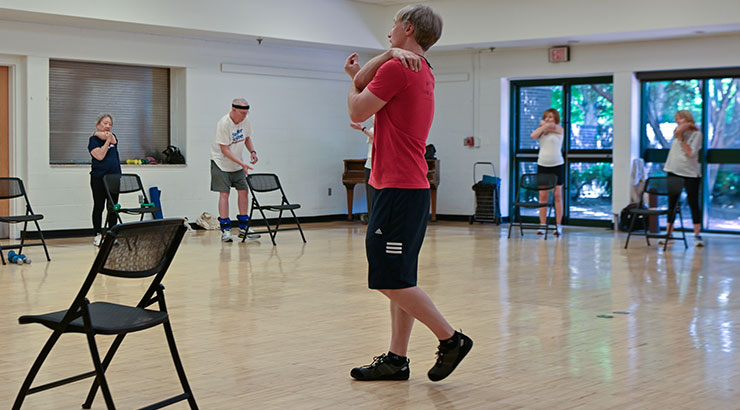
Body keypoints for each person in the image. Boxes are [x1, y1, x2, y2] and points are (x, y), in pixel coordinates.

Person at [344, 4, 472, 383]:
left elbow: (356, 110)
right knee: (401, 279)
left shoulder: (401, 67)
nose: (389, 32)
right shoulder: (416, 67)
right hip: (400, 186)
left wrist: (356, 81)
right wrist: (381, 58)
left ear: (409, 28)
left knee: (388, 278)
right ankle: (397, 359)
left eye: (394, 26)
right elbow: (368, 80)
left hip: (399, 189)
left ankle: (451, 339)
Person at [210, 98, 261, 242]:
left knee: (244, 192)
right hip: (221, 163)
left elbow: (247, 138)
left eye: (246, 113)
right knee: (224, 194)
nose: (244, 116)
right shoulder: (223, 123)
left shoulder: (245, 121)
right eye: (241, 113)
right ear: (233, 110)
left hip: (237, 164)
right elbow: (224, 150)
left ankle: (244, 227)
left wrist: (252, 151)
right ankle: (225, 229)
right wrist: (242, 163)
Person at [662, 110, 704, 247]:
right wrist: (679, 134)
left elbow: (690, 153)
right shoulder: (677, 133)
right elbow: (677, 133)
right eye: (676, 119)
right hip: (673, 171)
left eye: (679, 119)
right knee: (672, 203)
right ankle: (669, 233)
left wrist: (681, 138)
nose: (677, 122)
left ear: (687, 119)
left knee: (693, 203)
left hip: (690, 173)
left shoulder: (697, 135)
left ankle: (697, 235)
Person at [530, 108, 565, 236]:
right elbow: (533, 135)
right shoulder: (542, 131)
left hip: (557, 165)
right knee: (542, 197)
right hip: (543, 165)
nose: (548, 119)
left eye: (550, 116)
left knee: (557, 196)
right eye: (545, 117)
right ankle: (542, 225)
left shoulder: (559, 129)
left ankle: (558, 225)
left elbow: (552, 127)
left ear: (555, 118)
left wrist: (545, 125)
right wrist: (542, 128)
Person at [88, 113, 121, 247]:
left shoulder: (113, 137)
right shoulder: (93, 141)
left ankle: (111, 234)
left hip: (114, 177)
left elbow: (113, 140)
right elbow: (100, 156)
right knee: (99, 206)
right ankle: (97, 234)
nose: (108, 126)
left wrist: (103, 136)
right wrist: (104, 140)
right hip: (98, 178)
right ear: (98, 125)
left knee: (113, 207)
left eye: (110, 124)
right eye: (105, 123)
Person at [350, 122, 375, 223]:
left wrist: (362, 128)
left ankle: (374, 217)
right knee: (370, 193)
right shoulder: (373, 128)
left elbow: (374, 135)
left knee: (374, 192)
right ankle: (371, 216)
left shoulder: (382, 128)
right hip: (369, 163)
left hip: (375, 163)